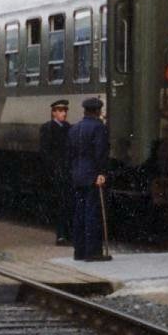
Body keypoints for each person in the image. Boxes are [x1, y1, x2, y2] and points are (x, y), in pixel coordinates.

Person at [67, 96, 111, 262]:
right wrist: (101, 172)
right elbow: (100, 152)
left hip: (77, 174)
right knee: (92, 213)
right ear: (98, 111)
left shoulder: (75, 128)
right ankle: (93, 252)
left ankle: (79, 251)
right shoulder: (99, 128)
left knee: (79, 213)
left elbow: (70, 153)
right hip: (92, 174)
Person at [38, 98, 72, 244]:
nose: (63, 114)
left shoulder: (69, 127)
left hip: (67, 170)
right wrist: (53, 169)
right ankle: (60, 235)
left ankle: (67, 234)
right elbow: (45, 151)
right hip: (56, 170)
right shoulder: (47, 128)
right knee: (60, 203)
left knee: (67, 203)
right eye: (60, 111)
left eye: (65, 111)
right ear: (53, 113)